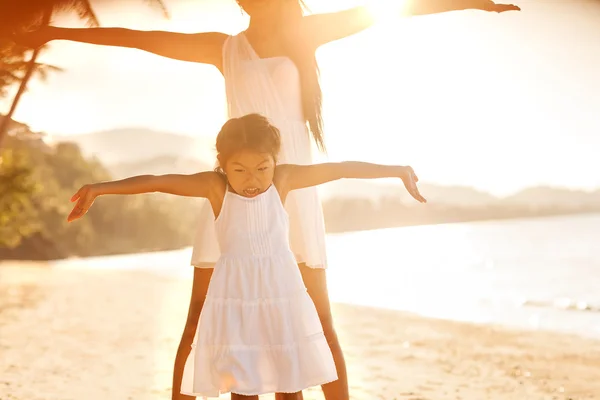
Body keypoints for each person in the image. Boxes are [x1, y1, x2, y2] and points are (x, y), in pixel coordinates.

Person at [15, 1, 517, 398]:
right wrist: (58, 32)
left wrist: (471, 3)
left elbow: (392, 8)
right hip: (229, 190)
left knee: (315, 319)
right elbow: (139, 38)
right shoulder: (223, 48)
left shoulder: (307, 34)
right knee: (197, 316)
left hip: (290, 187)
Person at [67, 113, 426, 399]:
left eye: (262, 168)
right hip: (235, 295)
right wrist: (100, 189)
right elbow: (157, 180)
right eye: (239, 170)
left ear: (275, 162)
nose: (252, 179)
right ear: (223, 165)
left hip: (281, 291)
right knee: (242, 378)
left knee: (290, 377)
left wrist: (396, 171)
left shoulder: (283, 181)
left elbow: (342, 169)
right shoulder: (215, 188)